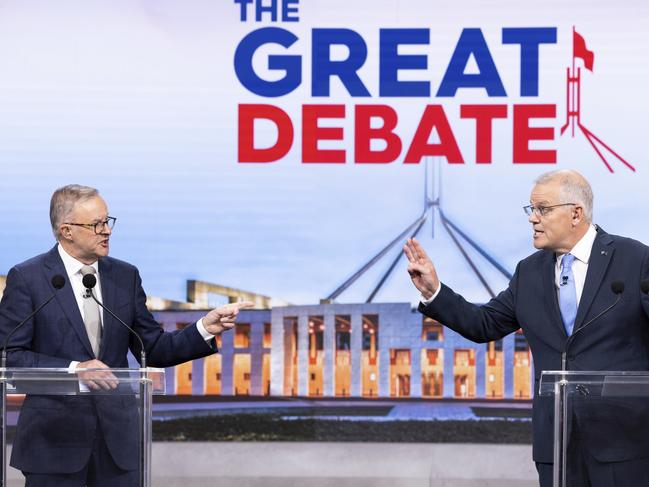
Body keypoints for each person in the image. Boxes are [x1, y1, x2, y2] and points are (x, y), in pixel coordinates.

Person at [404, 170, 649, 487]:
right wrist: (434, 290)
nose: (533, 218)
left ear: (576, 213)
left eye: (543, 209)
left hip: (624, 441)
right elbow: (484, 324)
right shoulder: (529, 272)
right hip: (557, 444)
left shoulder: (634, 259)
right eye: (531, 209)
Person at [0, 184, 253, 486]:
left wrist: (204, 329)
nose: (107, 231)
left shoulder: (125, 276)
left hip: (117, 444)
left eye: (108, 221)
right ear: (67, 230)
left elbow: (154, 348)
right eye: (96, 224)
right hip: (54, 442)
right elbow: (10, 356)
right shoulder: (28, 278)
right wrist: (75, 370)